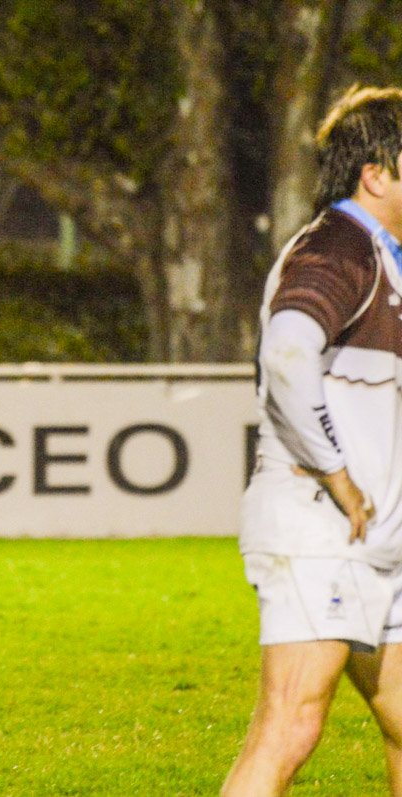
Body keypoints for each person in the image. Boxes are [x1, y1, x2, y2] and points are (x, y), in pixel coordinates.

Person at [223, 85, 402, 796]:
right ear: (378, 173)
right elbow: (288, 354)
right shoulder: (341, 243)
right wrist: (338, 474)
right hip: (321, 527)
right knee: (290, 726)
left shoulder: (381, 255)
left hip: (371, 538)